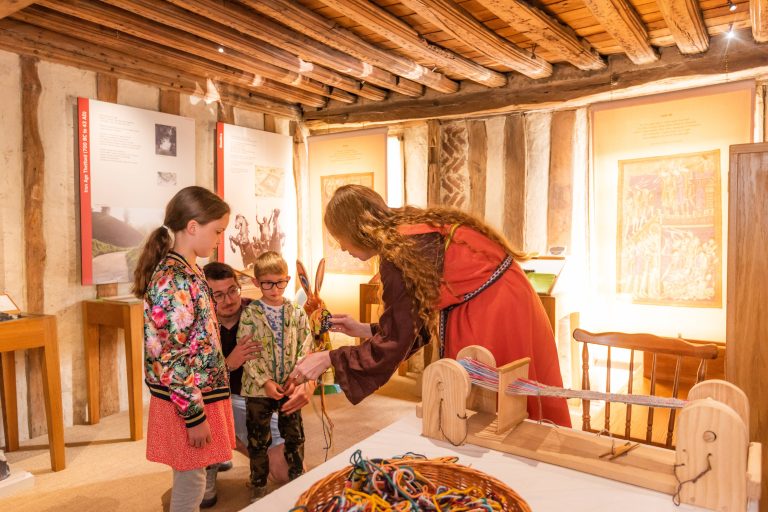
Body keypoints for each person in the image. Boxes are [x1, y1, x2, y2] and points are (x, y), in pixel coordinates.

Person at [289, 185, 571, 427]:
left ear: (356, 228)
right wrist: (365, 329)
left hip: (493, 311)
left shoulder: (399, 253)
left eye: (339, 237)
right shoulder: (409, 232)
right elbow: (411, 322)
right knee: (511, 401)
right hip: (506, 299)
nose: (341, 248)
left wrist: (329, 358)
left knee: (494, 410)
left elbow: (397, 339)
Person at [131, 186, 235, 512]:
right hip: (186, 400)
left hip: (196, 393)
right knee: (192, 480)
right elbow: (173, 354)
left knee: (194, 475)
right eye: (216, 231)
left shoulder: (190, 271)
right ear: (193, 227)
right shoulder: (173, 278)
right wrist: (194, 416)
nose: (219, 239)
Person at [202, 261, 314, 506]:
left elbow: (303, 349)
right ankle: (209, 459)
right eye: (218, 295)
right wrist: (229, 364)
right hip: (216, 402)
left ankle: (224, 448)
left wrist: (308, 384)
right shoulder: (198, 326)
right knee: (195, 413)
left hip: (257, 399)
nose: (229, 300)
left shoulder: (259, 311)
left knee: (288, 471)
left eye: (232, 290)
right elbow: (191, 383)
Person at [238, 251, 312, 501]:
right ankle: (258, 484)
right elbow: (247, 352)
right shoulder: (250, 314)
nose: (275, 288)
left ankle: (297, 479)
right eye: (268, 283)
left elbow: (306, 344)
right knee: (258, 440)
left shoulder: (296, 312)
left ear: (288, 279)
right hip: (259, 390)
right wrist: (265, 381)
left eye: (280, 282)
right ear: (257, 283)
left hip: (290, 386)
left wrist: (298, 376)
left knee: (295, 435)